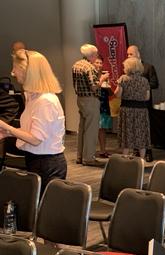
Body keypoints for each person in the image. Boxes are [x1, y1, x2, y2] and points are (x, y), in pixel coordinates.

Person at [0, 50, 66, 192]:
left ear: (27, 71)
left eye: (15, 68)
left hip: (47, 164)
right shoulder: (34, 98)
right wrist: (9, 133)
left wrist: (6, 127)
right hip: (37, 160)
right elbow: (33, 132)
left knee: (43, 211)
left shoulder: (45, 101)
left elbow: (36, 139)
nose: (12, 73)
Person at [72, 44, 109, 167]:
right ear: (92, 55)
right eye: (96, 55)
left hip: (80, 99)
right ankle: (88, 158)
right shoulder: (89, 67)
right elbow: (94, 87)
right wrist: (102, 79)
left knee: (82, 129)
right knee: (91, 130)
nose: (96, 57)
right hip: (91, 100)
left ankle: (80, 156)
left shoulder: (76, 65)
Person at [127, 45, 159, 162]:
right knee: (134, 128)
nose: (129, 56)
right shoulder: (128, 69)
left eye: (131, 54)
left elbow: (155, 83)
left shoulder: (148, 67)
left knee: (146, 129)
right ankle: (136, 150)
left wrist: (140, 86)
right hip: (132, 104)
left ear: (138, 54)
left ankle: (148, 151)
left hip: (145, 103)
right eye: (127, 54)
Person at [115, 57, 150, 157]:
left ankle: (125, 158)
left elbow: (118, 95)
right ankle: (142, 160)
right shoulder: (145, 81)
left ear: (128, 67)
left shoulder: (123, 78)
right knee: (141, 133)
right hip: (141, 110)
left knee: (127, 133)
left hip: (127, 110)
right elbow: (147, 97)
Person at [93, 55, 113, 158]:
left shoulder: (104, 75)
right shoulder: (92, 75)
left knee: (103, 129)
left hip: (104, 103)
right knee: (96, 128)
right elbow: (94, 89)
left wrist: (108, 86)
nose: (99, 65)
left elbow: (110, 93)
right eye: (97, 62)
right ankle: (91, 151)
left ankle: (103, 150)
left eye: (101, 63)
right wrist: (102, 80)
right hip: (96, 103)